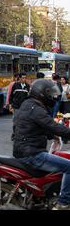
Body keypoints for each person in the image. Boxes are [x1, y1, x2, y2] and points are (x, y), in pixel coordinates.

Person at [13, 79, 70, 210]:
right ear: (42, 94)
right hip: (32, 153)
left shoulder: (28, 104)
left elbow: (37, 127)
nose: (52, 96)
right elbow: (53, 126)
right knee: (69, 166)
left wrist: (53, 136)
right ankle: (63, 203)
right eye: (50, 93)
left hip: (23, 150)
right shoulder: (36, 109)